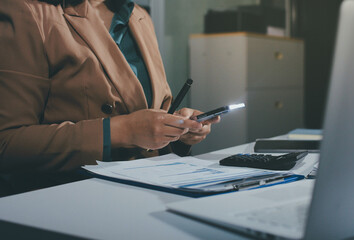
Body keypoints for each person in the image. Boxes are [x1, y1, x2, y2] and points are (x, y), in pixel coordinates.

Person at [0, 0, 219, 193]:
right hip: (70, 198)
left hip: (150, 190)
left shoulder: (139, 16)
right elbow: (7, 144)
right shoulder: (27, 11)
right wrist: (123, 130)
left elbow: (156, 112)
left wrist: (178, 130)